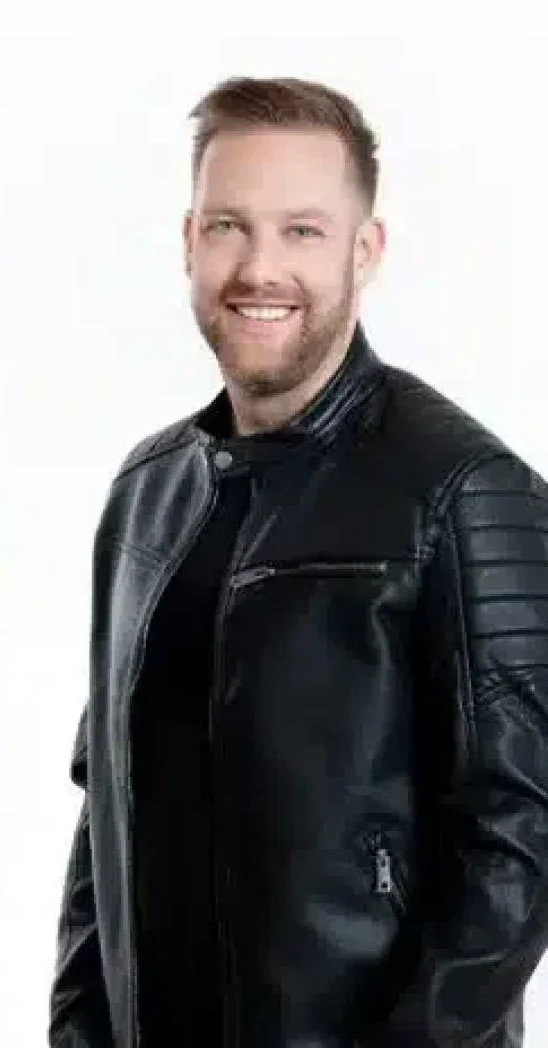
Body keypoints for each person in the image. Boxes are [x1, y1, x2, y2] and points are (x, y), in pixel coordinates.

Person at [48, 76, 548, 1047]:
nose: (259, 267)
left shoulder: (462, 491)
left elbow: (518, 846)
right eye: (228, 226)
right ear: (188, 241)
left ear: (366, 250)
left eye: (302, 231)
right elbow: (104, 809)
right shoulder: (147, 492)